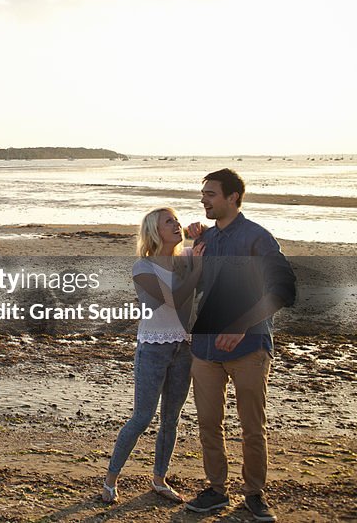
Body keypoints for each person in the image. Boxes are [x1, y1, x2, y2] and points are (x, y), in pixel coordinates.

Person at [183, 169, 296, 522]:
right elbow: (193, 291)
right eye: (203, 193)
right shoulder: (205, 240)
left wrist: (241, 325)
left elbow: (284, 291)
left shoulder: (258, 239)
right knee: (208, 423)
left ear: (233, 197)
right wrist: (191, 259)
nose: (204, 199)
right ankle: (216, 489)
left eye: (211, 194)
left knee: (252, 427)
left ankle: (254, 494)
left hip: (250, 349)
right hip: (204, 350)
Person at [102, 207, 204, 504]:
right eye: (168, 221)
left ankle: (159, 479)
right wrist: (196, 269)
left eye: (177, 220)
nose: (176, 224)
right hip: (154, 348)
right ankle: (110, 480)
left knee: (171, 418)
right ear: (154, 231)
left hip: (184, 347)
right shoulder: (143, 268)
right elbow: (172, 300)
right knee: (142, 418)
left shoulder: (186, 259)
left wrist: (202, 234)